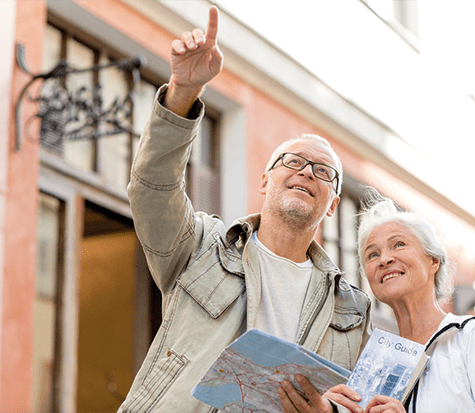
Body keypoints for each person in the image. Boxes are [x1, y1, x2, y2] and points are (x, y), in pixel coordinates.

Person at [118, 6, 371, 413]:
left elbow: (362, 401)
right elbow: (152, 189)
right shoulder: (201, 247)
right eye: (292, 162)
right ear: (265, 181)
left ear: (332, 206)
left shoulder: (354, 309)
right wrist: (183, 93)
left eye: (323, 171)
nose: (306, 172)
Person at [355, 187, 475, 413]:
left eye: (399, 244)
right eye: (373, 254)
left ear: (434, 261)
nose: (385, 259)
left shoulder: (474, 338)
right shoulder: (375, 366)